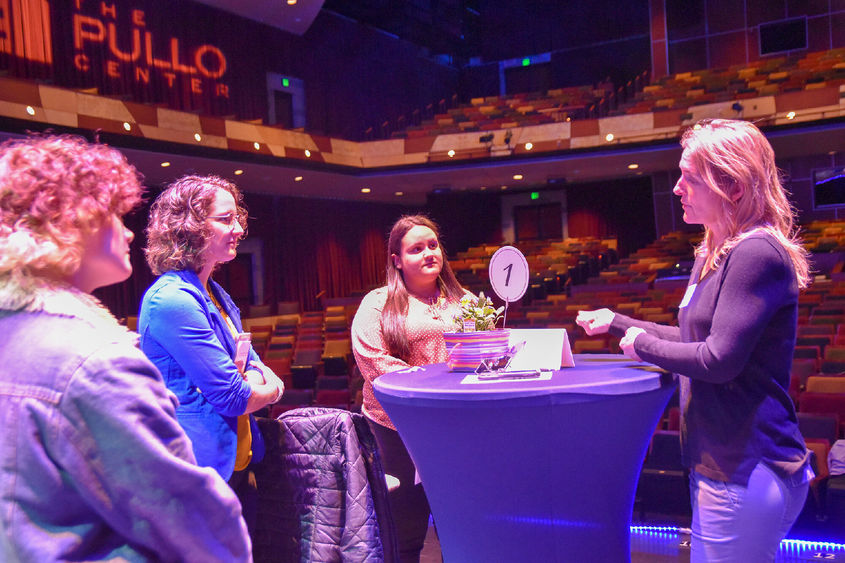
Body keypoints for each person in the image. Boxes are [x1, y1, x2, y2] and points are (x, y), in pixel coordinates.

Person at [0, 135, 250, 561]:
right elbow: (198, 526)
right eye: (115, 214)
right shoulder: (98, 361)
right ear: (69, 222)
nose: (130, 230)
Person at [576, 119, 812, 562]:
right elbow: (692, 338)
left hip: (743, 465)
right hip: (723, 464)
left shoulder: (756, 252)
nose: (677, 187)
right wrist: (617, 323)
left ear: (734, 186)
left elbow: (717, 359)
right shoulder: (714, 251)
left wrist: (640, 345)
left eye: (691, 177)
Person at [139, 175, 284, 536]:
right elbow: (234, 396)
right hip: (197, 471)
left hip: (235, 464)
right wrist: (271, 390)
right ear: (188, 227)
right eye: (225, 219)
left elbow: (255, 366)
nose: (237, 229)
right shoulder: (172, 299)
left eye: (237, 219)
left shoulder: (214, 292)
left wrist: (262, 384)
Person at [351, 214, 471, 562]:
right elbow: (374, 362)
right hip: (394, 432)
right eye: (416, 249)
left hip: (455, 428)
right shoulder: (378, 304)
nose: (428, 253)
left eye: (432, 245)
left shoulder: (465, 300)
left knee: (461, 530)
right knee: (404, 536)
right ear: (397, 261)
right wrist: (430, 390)